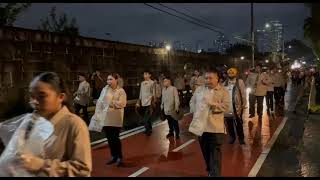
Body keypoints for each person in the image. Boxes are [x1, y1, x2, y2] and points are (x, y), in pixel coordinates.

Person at [0, 72, 92, 177]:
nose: (34, 101)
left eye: (42, 96)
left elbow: (82, 169)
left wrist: (42, 165)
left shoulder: (74, 124)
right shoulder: (31, 122)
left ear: (61, 97)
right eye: (32, 96)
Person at [189, 68, 231, 177]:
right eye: (206, 78)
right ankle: (210, 169)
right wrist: (196, 111)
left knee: (215, 154)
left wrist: (212, 104)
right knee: (205, 152)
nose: (208, 80)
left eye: (211, 78)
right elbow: (192, 102)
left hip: (215, 127)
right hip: (201, 128)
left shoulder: (223, 91)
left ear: (217, 79)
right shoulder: (199, 90)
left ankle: (215, 174)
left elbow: (226, 107)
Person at [93, 73, 127, 167]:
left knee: (115, 138)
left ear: (116, 80)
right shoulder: (105, 89)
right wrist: (98, 102)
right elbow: (101, 101)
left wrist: (110, 102)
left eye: (111, 79)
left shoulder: (121, 91)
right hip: (106, 117)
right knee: (109, 139)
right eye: (108, 79)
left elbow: (122, 104)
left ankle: (120, 157)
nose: (109, 81)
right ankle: (113, 156)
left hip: (116, 118)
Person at [223, 68, 246, 145]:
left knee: (238, 123)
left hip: (237, 107)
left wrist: (243, 105)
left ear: (235, 74)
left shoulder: (240, 82)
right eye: (229, 73)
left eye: (232, 73)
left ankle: (241, 138)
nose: (230, 75)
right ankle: (232, 137)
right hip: (228, 107)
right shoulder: (224, 83)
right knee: (229, 123)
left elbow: (243, 94)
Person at [136, 71, 156, 136]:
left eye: (146, 74)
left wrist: (153, 101)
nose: (144, 75)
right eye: (144, 74)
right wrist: (139, 101)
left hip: (149, 102)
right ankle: (149, 128)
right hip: (143, 102)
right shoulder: (142, 83)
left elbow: (153, 93)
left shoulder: (152, 82)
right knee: (146, 117)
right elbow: (140, 93)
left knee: (146, 118)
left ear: (150, 75)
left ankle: (148, 131)